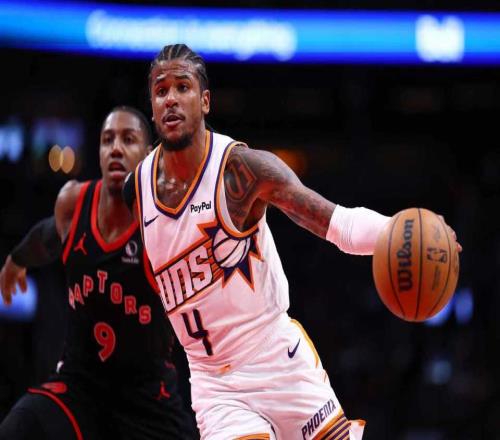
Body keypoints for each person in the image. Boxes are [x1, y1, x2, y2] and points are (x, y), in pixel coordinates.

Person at [127, 44, 461, 440]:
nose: (170, 99)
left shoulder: (241, 170)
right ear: (152, 108)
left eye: (182, 87)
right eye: (160, 90)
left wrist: (407, 231)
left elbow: (337, 224)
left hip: (277, 359)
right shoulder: (137, 189)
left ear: (205, 101)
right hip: (214, 385)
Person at [0, 106, 195, 439]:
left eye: (128, 139)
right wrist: (16, 261)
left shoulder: (166, 222)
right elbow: (47, 236)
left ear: (149, 155)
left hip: (147, 400)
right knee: (19, 427)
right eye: (108, 140)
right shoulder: (74, 202)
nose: (116, 148)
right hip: (79, 386)